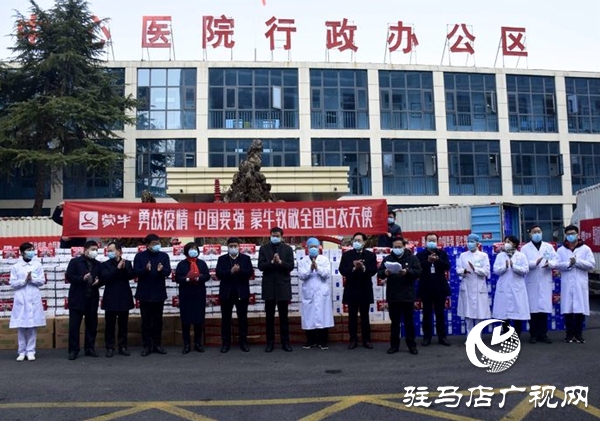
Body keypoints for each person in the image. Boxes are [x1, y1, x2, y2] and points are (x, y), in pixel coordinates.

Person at [378, 238, 422, 355]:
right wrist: (385, 273)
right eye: (395, 247)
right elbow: (380, 274)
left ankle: (412, 345)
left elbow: (418, 272)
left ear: (404, 246)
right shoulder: (388, 259)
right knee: (395, 322)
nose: (397, 249)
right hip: (393, 295)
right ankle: (394, 345)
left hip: (408, 295)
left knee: (409, 322)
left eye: (399, 247)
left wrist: (407, 272)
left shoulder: (412, 258)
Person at [133, 233, 171, 356]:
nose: (157, 245)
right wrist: (145, 270)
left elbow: (168, 272)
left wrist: (161, 270)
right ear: (147, 245)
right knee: (146, 322)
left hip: (159, 294)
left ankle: (157, 345)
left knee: (158, 321)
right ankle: (147, 346)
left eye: (158, 243)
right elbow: (135, 272)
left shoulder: (164, 256)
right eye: (154, 244)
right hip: (144, 294)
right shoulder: (140, 256)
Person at [258, 227, 295, 353]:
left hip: (283, 287)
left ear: (281, 237)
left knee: (284, 317)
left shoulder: (288, 249)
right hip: (269, 287)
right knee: (269, 317)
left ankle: (285, 342)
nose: (275, 237)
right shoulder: (264, 249)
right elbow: (260, 266)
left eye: (277, 236)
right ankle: (270, 343)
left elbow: (291, 266)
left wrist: (280, 262)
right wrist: (271, 262)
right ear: (270, 236)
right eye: (273, 235)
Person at [556, 225, 595, 343]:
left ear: (577, 234)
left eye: (573, 233)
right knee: (567, 309)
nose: (571, 236)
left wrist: (577, 262)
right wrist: (569, 263)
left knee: (579, 309)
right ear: (565, 235)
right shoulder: (561, 250)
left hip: (580, 283)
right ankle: (569, 334)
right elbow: (557, 264)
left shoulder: (585, 249)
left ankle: (578, 334)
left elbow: (591, 264)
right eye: (568, 234)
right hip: (567, 283)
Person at [520, 225, 559, 344]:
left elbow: (556, 260)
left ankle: (543, 334)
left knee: (543, 310)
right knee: (533, 310)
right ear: (530, 234)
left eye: (539, 231)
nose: (537, 234)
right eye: (534, 232)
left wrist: (550, 264)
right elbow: (523, 263)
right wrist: (534, 263)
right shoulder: (525, 248)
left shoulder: (548, 247)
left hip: (545, 280)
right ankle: (533, 335)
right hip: (531, 281)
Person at [216, 237, 254, 353]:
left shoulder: (245, 258)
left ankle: (243, 342)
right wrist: (231, 271)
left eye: (235, 246)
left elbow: (249, 272)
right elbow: (219, 274)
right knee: (226, 319)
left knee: (242, 319)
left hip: (241, 293)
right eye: (231, 246)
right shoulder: (222, 259)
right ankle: (226, 343)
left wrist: (239, 270)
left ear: (239, 247)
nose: (233, 248)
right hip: (226, 294)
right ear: (227, 247)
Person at [340, 232, 378, 349]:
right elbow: (342, 270)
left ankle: (366, 340)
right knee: (352, 317)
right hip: (351, 289)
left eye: (359, 240)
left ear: (364, 242)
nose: (356, 242)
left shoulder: (370, 255)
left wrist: (363, 268)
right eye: (355, 240)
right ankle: (353, 340)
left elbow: (373, 270)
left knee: (365, 316)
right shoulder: (347, 255)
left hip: (365, 289)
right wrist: (353, 268)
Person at [9, 242, 46, 361]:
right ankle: (21, 351)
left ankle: (31, 351)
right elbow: (12, 283)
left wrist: (32, 280)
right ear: (22, 252)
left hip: (33, 296)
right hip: (21, 297)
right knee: (21, 326)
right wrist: (24, 281)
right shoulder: (16, 267)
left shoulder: (37, 265)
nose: (31, 252)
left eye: (32, 249)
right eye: (28, 250)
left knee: (32, 327)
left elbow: (42, 281)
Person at [65, 240, 101, 360]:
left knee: (91, 326)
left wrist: (99, 281)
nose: (95, 252)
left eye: (96, 250)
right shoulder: (75, 262)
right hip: (77, 299)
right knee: (74, 327)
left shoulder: (98, 264)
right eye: (92, 249)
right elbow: (69, 276)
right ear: (85, 250)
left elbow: (102, 277)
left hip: (92, 298)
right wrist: (82, 278)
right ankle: (73, 350)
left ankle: (90, 348)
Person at [297, 237, 334, 350]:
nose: (313, 248)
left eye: (315, 246)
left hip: (322, 293)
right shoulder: (303, 261)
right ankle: (310, 340)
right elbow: (301, 276)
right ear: (307, 248)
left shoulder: (324, 260)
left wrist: (317, 268)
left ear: (319, 247)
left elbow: (327, 274)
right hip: (309, 292)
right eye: (311, 247)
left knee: (323, 316)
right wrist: (310, 269)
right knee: (309, 317)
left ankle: (323, 341)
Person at [99, 241, 134, 357]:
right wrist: (117, 269)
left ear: (119, 251)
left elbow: (131, 276)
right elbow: (105, 278)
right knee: (110, 325)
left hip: (124, 297)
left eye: (111, 251)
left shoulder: (127, 263)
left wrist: (123, 269)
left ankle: (123, 346)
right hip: (110, 298)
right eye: (108, 251)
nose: (109, 253)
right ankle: (110, 347)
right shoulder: (105, 265)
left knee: (123, 325)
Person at [416, 233, 452, 347]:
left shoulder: (442, 253)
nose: (432, 242)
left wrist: (437, 260)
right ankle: (427, 337)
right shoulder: (420, 254)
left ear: (437, 242)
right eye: (429, 240)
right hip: (426, 287)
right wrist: (428, 261)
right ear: (425, 241)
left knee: (440, 313)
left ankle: (442, 337)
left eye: (434, 240)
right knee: (426, 313)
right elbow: (417, 268)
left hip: (440, 287)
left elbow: (447, 266)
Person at [174, 242, 210, 354]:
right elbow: (177, 278)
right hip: (186, 295)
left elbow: (207, 275)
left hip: (199, 294)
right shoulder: (181, 264)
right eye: (191, 249)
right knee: (186, 321)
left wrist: (199, 278)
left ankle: (198, 343)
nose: (193, 251)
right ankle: (187, 344)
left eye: (195, 249)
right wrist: (188, 279)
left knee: (199, 320)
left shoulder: (202, 263)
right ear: (186, 251)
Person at [492, 235, 530, 337]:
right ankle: (506, 335)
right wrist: (505, 267)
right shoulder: (500, 256)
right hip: (504, 287)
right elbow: (496, 270)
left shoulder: (521, 256)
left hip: (517, 288)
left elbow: (525, 270)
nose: (506, 244)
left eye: (509, 242)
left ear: (514, 243)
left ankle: (517, 335)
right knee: (505, 314)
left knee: (518, 313)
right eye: (505, 242)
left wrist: (514, 266)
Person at [456, 233, 491, 337]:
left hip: (479, 286)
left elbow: (486, 271)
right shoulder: (463, 255)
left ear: (477, 243)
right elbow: (458, 269)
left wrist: (475, 269)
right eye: (468, 241)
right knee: (468, 314)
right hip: (467, 286)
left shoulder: (483, 256)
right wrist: (464, 271)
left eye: (472, 242)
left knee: (480, 314)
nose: (469, 244)